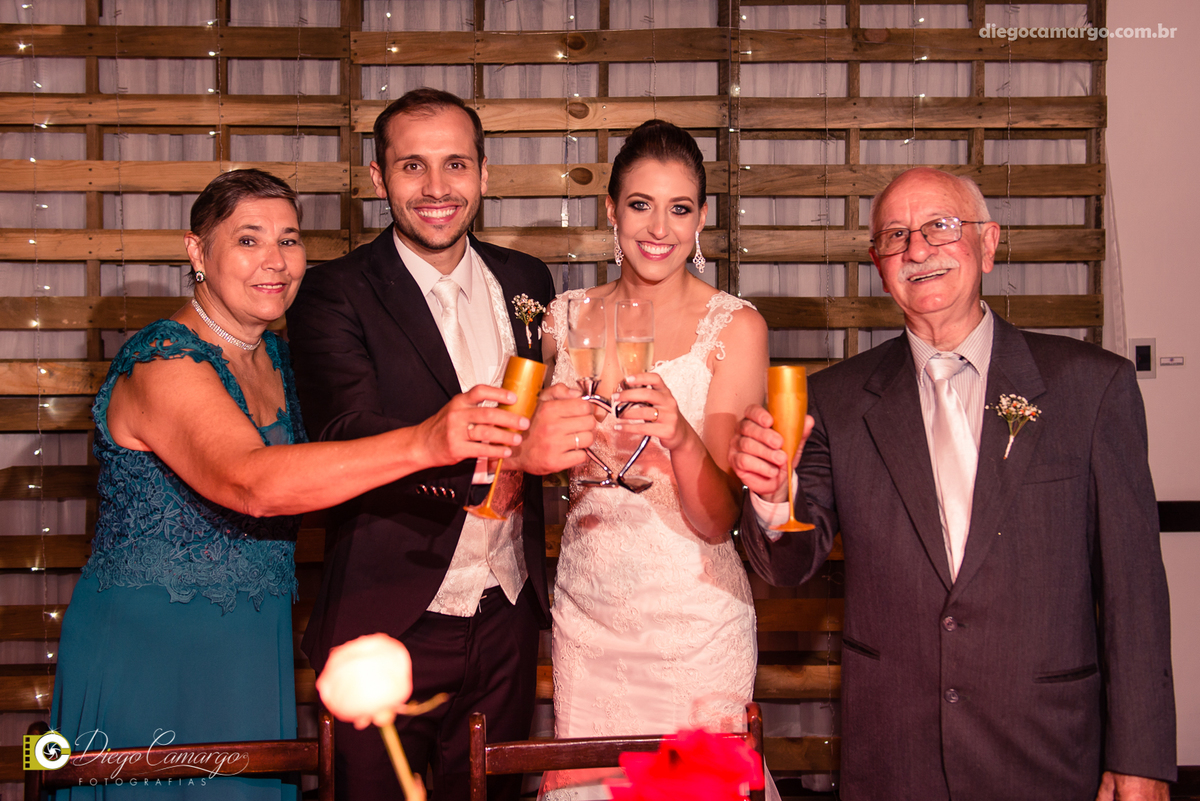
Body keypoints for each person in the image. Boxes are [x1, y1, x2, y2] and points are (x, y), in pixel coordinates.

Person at [49, 169, 531, 800]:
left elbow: (322, 477)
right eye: (248, 241)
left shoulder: (272, 356)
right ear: (198, 251)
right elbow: (252, 482)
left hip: (254, 644)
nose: (274, 262)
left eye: (289, 240)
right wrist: (425, 441)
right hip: (155, 647)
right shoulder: (162, 361)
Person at [728, 167, 1176, 800]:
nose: (918, 249)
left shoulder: (1092, 387)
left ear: (988, 245)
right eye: (896, 235)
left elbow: (1136, 590)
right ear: (878, 264)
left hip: (1048, 749)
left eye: (941, 227)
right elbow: (790, 563)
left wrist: (1141, 760)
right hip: (895, 754)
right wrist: (772, 497)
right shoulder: (835, 399)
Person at [286, 89, 594, 801]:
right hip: (389, 613)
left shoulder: (527, 281)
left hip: (509, 611)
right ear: (376, 178)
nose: (435, 188)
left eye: (455, 164)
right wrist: (502, 455)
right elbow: (344, 433)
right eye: (411, 166)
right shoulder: (334, 292)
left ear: (484, 173)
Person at [537, 120, 773, 800]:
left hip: (693, 624)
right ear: (611, 208)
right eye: (640, 204)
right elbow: (522, 460)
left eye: (679, 208)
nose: (658, 228)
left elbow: (719, 519)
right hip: (587, 618)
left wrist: (679, 435)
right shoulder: (562, 319)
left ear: (703, 217)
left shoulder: (733, 328)